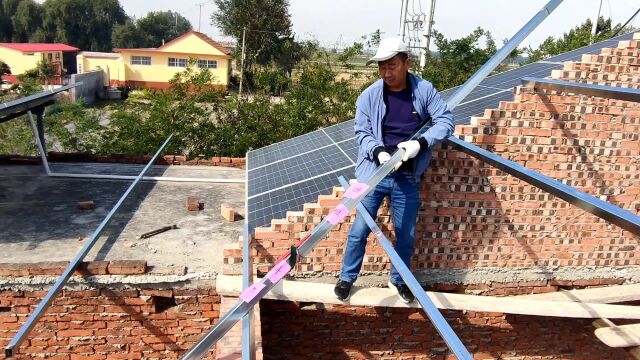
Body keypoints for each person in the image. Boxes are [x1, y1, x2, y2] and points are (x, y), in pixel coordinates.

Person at [334, 37, 454, 303]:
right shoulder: (370, 95)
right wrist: (378, 152)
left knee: (406, 234)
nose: (387, 72)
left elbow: (446, 120)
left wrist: (419, 144)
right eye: (381, 67)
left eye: (392, 66)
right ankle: (347, 277)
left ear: (406, 63)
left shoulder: (423, 91)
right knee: (359, 230)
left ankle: (399, 280)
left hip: (406, 175)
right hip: (373, 174)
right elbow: (362, 132)